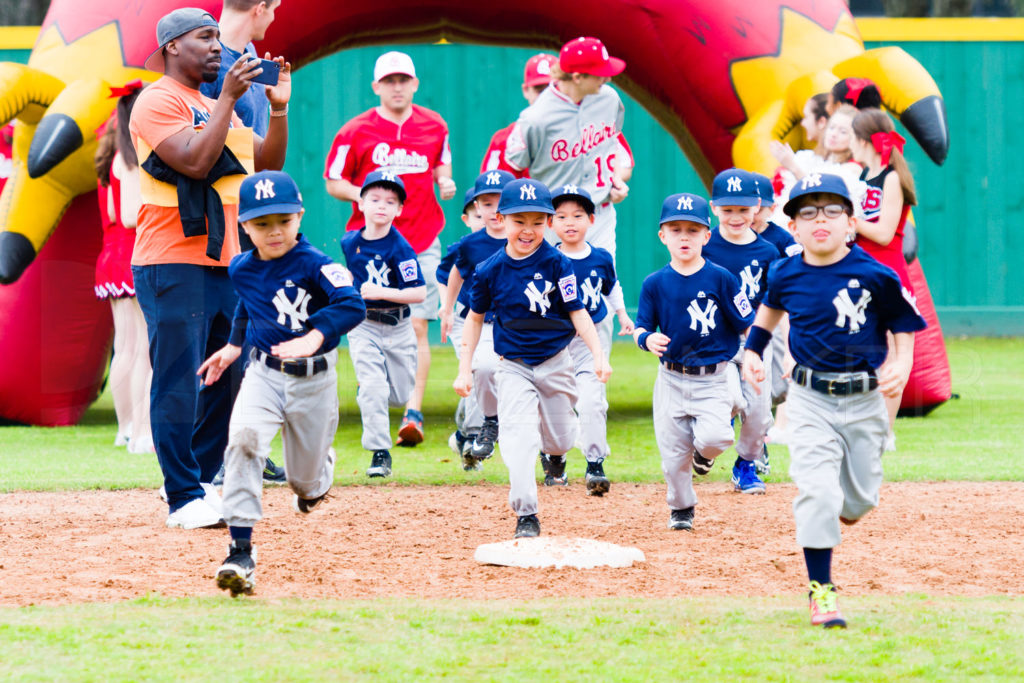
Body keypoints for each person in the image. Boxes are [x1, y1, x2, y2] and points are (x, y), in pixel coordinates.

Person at [130, 7, 290, 529]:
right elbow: (195, 161)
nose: (218, 46)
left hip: (223, 261)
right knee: (178, 379)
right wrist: (227, 98)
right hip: (171, 259)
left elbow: (264, 165)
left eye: (219, 36)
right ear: (173, 47)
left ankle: (198, 484)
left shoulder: (213, 102)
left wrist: (278, 108)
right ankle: (180, 496)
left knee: (227, 374)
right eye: (205, 37)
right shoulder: (157, 100)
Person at [741, 172, 925, 628]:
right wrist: (751, 352)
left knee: (858, 504)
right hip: (808, 399)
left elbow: (904, 323)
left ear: (850, 223)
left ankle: (839, 509)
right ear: (795, 227)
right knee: (818, 492)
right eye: (807, 211)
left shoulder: (875, 274)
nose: (818, 219)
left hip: (864, 401)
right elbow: (770, 310)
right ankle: (821, 592)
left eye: (831, 210)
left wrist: (901, 364)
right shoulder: (785, 270)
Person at [197, 170, 365, 597]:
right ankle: (240, 551)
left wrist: (314, 335)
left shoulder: (316, 264)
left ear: (300, 217)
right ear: (245, 226)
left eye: (284, 221)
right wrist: (234, 346)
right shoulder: (241, 267)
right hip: (265, 374)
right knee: (244, 441)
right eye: (262, 223)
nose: (274, 231)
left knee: (302, 482)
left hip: (314, 380)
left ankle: (317, 481)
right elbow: (247, 306)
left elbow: (352, 304)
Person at [454, 178, 610, 539]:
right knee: (519, 439)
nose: (528, 230)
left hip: (556, 362)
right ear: (502, 219)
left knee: (559, 439)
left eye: (538, 221)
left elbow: (578, 313)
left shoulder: (557, 263)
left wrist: (599, 354)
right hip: (513, 366)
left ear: (549, 222)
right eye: (519, 220)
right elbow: (474, 319)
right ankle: (527, 514)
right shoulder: (489, 269)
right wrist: (465, 368)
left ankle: (555, 456)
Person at [324, 50, 456, 448]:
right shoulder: (356, 130)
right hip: (371, 245)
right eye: (389, 81)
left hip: (421, 238)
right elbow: (333, 180)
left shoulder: (434, 124)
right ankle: (378, 400)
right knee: (371, 321)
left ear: (414, 83)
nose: (397, 87)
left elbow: (441, 167)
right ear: (376, 86)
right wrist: (365, 198)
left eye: (404, 80)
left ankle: (412, 410)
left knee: (416, 321)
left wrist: (445, 182)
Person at [633, 192, 754, 531]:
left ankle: (704, 454)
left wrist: (755, 355)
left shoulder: (722, 278)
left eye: (692, 229)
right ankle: (682, 508)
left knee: (717, 438)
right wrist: (646, 338)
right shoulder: (655, 283)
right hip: (671, 377)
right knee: (673, 458)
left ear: (706, 235)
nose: (684, 236)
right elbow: (641, 326)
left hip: (713, 375)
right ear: (663, 236)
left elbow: (747, 321)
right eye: (675, 229)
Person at [504, 37, 628, 259]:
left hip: (599, 212)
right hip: (554, 218)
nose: (607, 78)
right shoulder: (535, 118)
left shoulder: (609, 99)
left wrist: (616, 177)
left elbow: (613, 143)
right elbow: (512, 169)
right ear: (578, 77)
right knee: (553, 289)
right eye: (600, 73)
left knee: (603, 287)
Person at [340, 171, 426, 479]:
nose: (382, 206)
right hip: (363, 325)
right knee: (374, 387)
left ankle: (369, 393)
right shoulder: (350, 242)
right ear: (360, 203)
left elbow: (418, 292)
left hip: (398, 327)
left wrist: (381, 292)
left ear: (399, 210)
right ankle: (380, 452)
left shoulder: (400, 248)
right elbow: (351, 278)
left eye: (391, 201)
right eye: (374, 199)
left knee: (400, 396)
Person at [550, 184, 633, 495]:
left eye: (578, 215)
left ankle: (595, 463)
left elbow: (611, 288)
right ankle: (554, 455)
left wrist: (623, 315)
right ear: (550, 223)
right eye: (561, 216)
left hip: (591, 341)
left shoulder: (600, 257)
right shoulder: (546, 259)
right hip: (556, 342)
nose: (570, 222)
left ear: (591, 220)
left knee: (593, 400)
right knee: (556, 403)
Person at [699, 169, 778, 493]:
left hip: (756, 339)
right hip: (715, 338)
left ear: (757, 206)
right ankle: (706, 447)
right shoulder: (704, 244)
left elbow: (773, 302)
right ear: (713, 206)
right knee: (730, 398)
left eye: (743, 210)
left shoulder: (768, 252)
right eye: (727, 209)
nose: (735, 217)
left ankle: (745, 464)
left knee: (759, 412)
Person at [850, 107, 919, 443]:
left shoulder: (891, 177)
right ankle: (866, 426)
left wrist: (848, 221)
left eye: (852, 135)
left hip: (887, 272)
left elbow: (884, 232)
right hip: (862, 270)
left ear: (864, 139)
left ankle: (886, 433)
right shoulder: (863, 174)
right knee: (865, 351)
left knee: (893, 354)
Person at [439, 170, 515, 470]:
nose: (494, 209)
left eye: (500, 202)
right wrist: (446, 309)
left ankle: (548, 449)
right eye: (486, 202)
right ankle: (479, 430)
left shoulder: (527, 237)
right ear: (477, 207)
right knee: (479, 370)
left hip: (517, 323)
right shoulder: (470, 244)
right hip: (477, 320)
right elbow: (454, 273)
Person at [94, 81, 154, 454]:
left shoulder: (111, 160)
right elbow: (131, 215)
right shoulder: (132, 159)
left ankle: (126, 428)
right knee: (144, 347)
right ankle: (139, 432)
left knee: (126, 346)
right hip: (133, 254)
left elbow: (115, 214)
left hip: (111, 255)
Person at [481, 53, 635, 186]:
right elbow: (491, 188)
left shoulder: (593, 127)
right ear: (525, 91)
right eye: (539, 89)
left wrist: (610, 183)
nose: (546, 95)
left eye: (550, 87)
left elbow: (624, 165)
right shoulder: (504, 139)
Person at [436, 188, 485, 462]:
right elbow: (444, 277)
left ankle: (463, 433)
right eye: (477, 214)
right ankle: (473, 436)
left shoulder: (509, 245)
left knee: (490, 378)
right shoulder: (464, 248)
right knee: (475, 372)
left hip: (496, 322)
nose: (485, 219)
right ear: (466, 219)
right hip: (464, 320)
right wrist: (447, 308)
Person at [770, 104, 866, 228]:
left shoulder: (853, 168)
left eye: (843, 132)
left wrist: (793, 166)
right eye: (831, 128)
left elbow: (824, 194)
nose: (834, 134)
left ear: (856, 138)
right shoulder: (814, 158)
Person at [199, 0, 281, 137]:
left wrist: (279, 107)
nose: (273, 17)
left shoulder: (249, 49)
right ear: (260, 9)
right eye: (274, 9)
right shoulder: (204, 61)